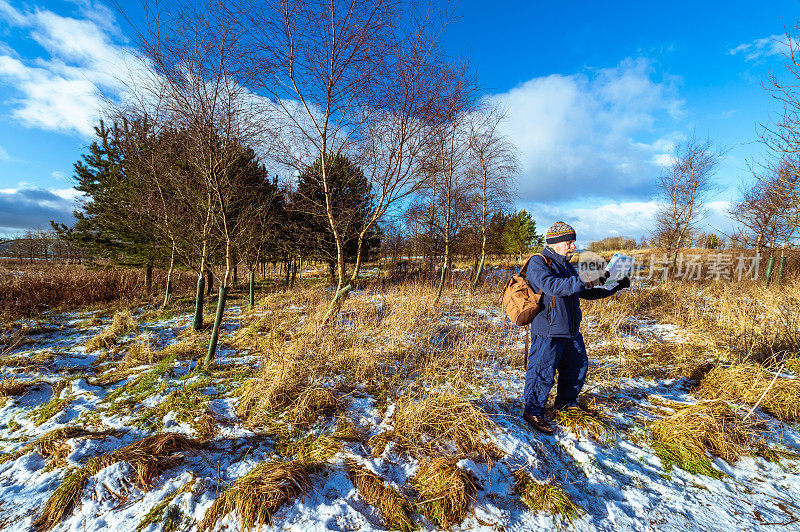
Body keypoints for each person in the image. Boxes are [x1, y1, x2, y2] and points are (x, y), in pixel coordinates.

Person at [522, 221, 630, 434]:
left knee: (577, 367)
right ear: (556, 243)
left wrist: (614, 286)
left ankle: (567, 404)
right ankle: (533, 411)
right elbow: (553, 286)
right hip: (548, 330)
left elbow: (585, 292)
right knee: (542, 371)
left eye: (573, 242)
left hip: (571, 330)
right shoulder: (539, 262)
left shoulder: (566, 265)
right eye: (569, 242)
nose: (573, 246)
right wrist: (586, 280)